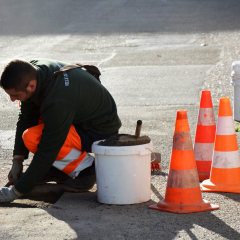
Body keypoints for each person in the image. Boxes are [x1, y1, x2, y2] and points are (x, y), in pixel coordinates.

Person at [0, 58, 121, 203]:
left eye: (15, 95)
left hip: (99, 131)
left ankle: (88, 170)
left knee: (33, 137)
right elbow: (27, 117)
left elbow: (48, 148)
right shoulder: (33, 72)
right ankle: (57, 170)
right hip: (78, 118)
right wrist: (17, 160)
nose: (12, 99)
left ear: (31, 85)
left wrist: (16, 191)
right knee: (36, 122)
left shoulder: (58, 99)